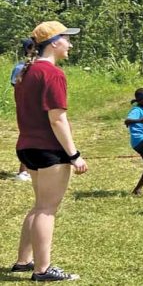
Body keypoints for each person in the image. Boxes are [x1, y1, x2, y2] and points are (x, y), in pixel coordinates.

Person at [11, 21, 88, 281]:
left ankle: (23, 261)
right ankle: (42, 270)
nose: (70, 44)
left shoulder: (25, 72)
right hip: (48, 150)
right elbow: (57, 119)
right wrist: (74, 155)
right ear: (54, 42)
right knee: (46, 209)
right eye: (67, 39)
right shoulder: (52, 74)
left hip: (27, 148)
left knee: (39, 206)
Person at [10, 38, 34, 182]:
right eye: (33, 48)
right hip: (28, 108)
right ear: (28, 50)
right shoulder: (20, 68)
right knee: (28, 136)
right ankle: (23, 171)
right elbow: (17, 88)